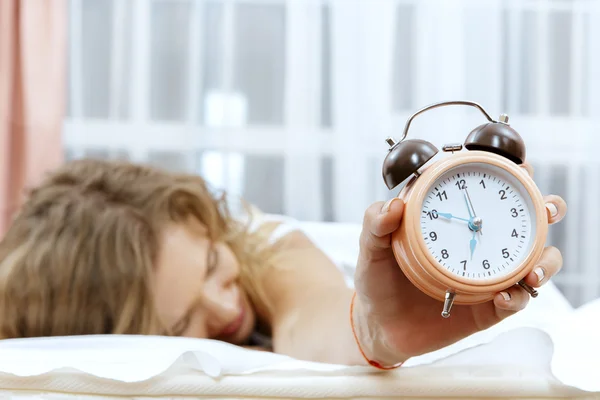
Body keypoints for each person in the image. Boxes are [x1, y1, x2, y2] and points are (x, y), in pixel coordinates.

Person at [0, 158, 566, 368]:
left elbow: (314, 316)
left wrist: (374, 333)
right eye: (179, 324)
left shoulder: (264, 247)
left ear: (213, 230)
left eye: (210, 267)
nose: (227, 308)